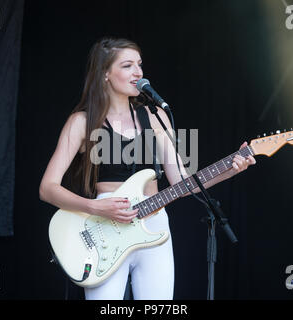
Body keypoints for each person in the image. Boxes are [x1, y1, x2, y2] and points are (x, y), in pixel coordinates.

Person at [39, 37, 256, 300]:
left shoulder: (156, 117)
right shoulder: (81, 122)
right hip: (104, 227)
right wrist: (94, 206)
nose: (138, 73)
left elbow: (182, 183)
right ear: (105, 73)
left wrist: (232, 169)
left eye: (139, 65)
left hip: (154, 225)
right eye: (128, 65)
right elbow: (47, 188)